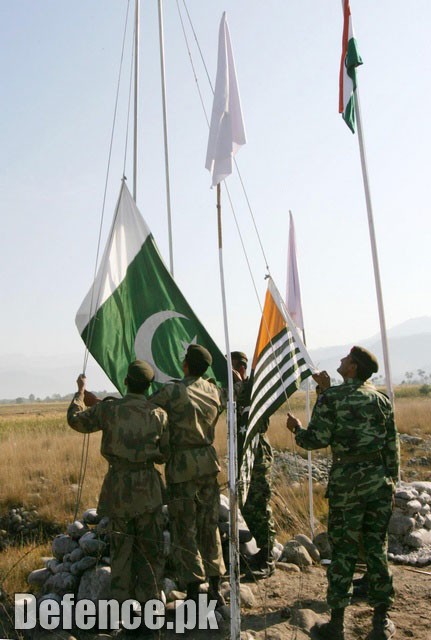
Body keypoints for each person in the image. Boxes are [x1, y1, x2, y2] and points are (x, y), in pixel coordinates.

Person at [286, 346, 399, 640]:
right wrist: (392, 484)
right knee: (376, 550)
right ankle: (381, 623)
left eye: (345, 359)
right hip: (378, 484)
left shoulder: (332, 399)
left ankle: (336, 625)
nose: (340, 361)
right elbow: (392, 446)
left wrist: (297, 429)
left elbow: (315, 440)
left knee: (344, 553)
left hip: (347, 485)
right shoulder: (381, 400)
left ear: (353, 367)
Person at [67, 361, 169, 635]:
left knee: (121, 554)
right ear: (149, 385)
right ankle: (149, 620)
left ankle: (122, 620)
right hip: (148, 489)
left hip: (119, 489)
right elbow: (164, 453)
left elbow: (76, 420)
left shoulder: (110, 410)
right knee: (150, 553)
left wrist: (80, 392)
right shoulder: (158, 414)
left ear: (126, 381)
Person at [151, 344, 226, 609]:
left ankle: (194, 591)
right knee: (210, 525)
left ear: (185, 365)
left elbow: (147, 407)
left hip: (182, 466)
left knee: (185, 529)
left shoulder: (174, 390)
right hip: (207, 463)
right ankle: (216, 587)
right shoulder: (214, 391)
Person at [231, 351, 276, 578]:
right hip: (242, 453)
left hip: (257, 453)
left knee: (258, 504)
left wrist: (240, 390)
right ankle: (260, 551)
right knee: (245, 505)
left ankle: (268, 556)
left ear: (239, 368)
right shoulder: (234, 390)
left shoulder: (253, 389)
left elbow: (259, 419)